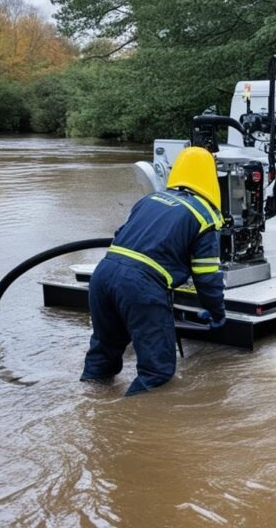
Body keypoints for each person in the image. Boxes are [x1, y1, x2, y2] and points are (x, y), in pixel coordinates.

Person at [81, 146, 227, 396]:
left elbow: (121, 236)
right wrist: (216, 312)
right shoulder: (204, 215)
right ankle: (129, 425)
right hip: (140, 286)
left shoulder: (150, 199)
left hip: (103, 275)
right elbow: (207, 275)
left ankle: (91, 406)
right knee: (157, 372)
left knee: (104, 353)